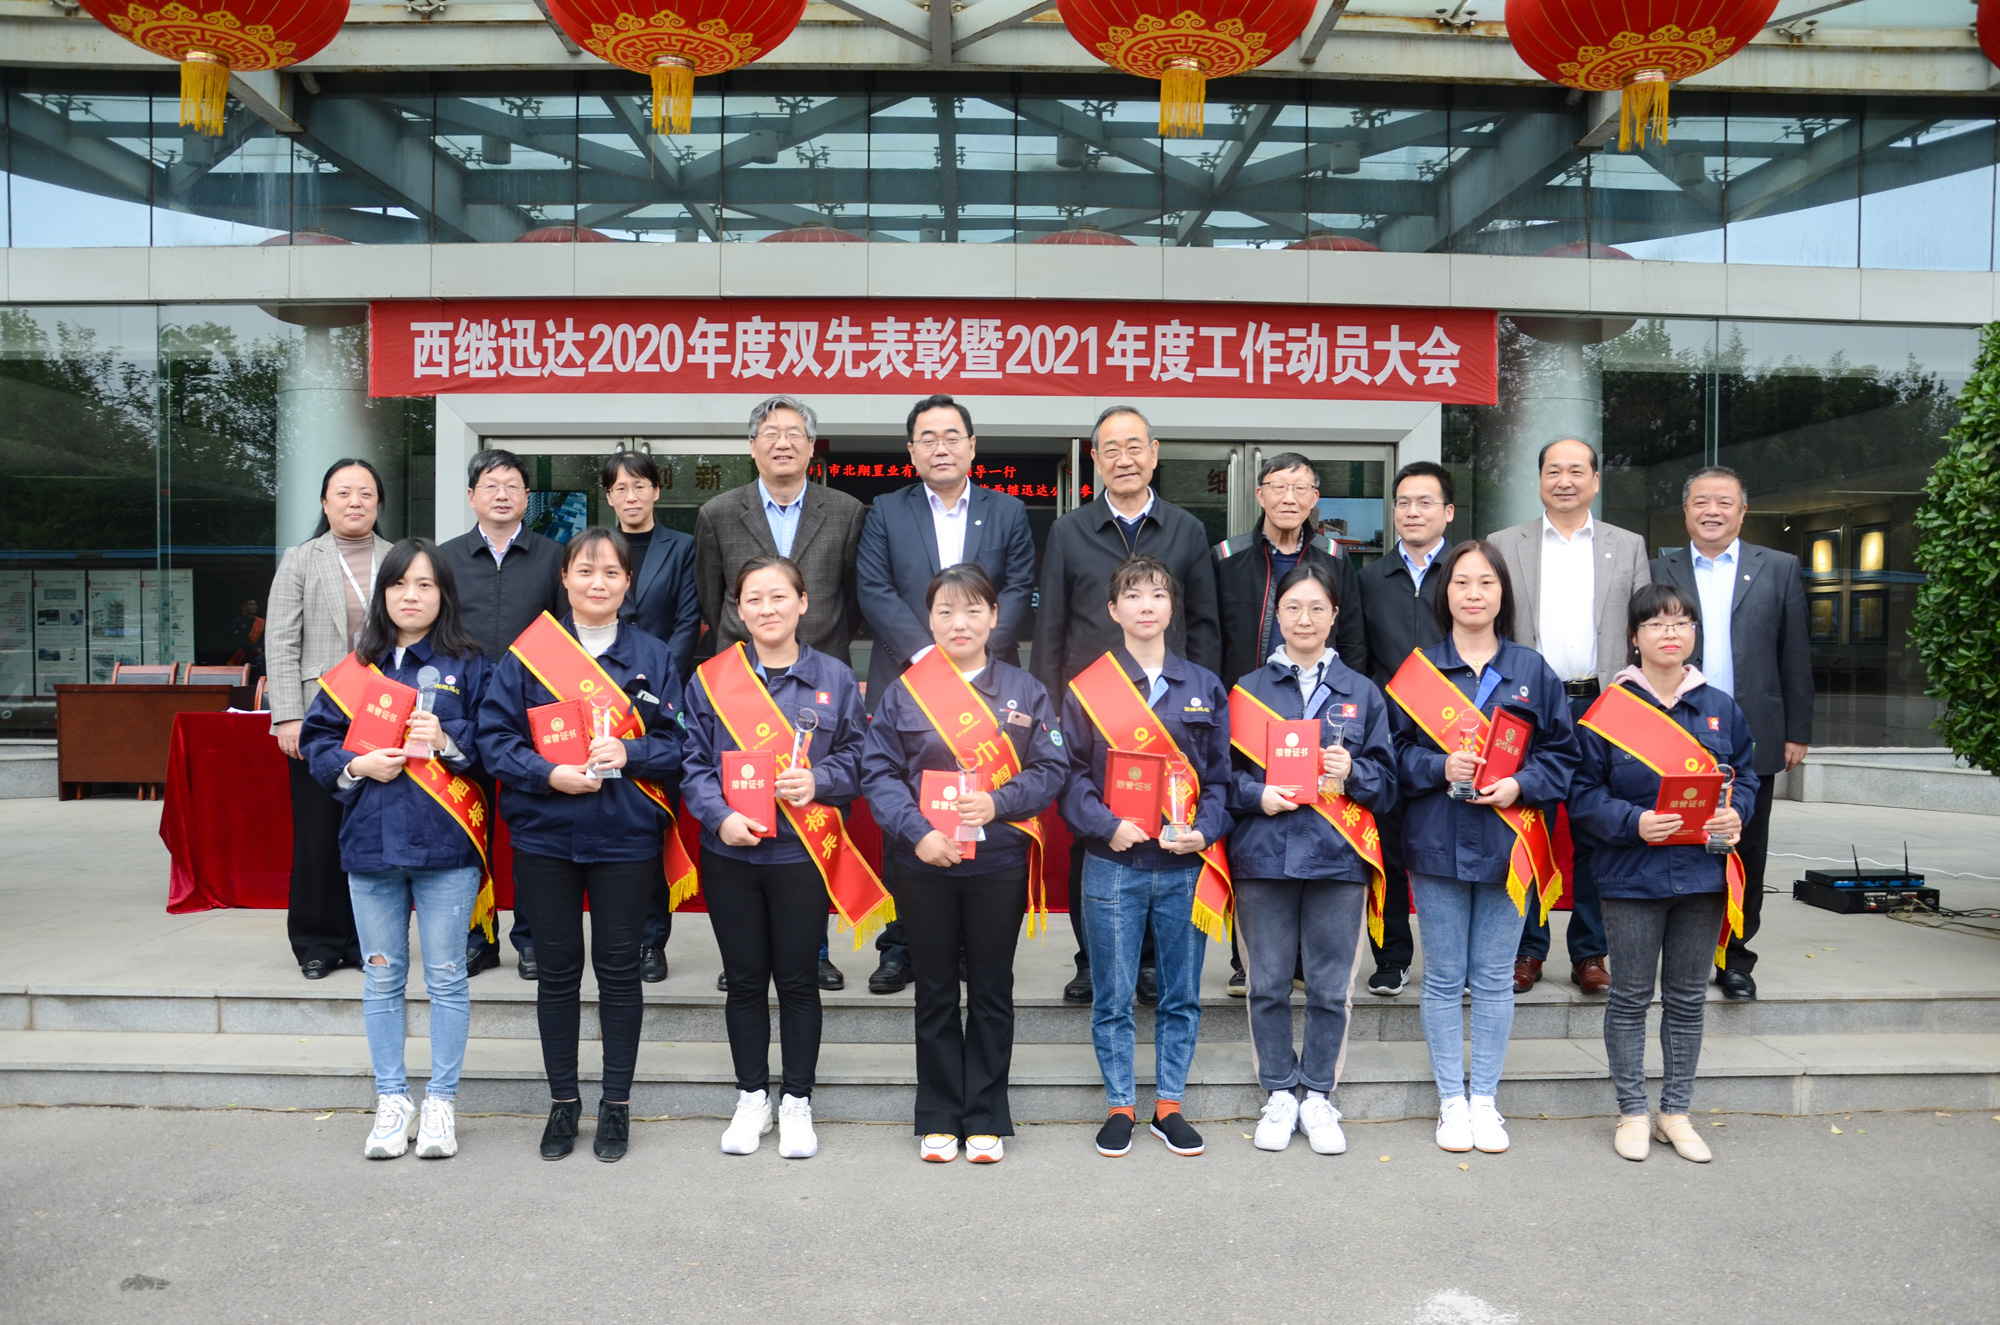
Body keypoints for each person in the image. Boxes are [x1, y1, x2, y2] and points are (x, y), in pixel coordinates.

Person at [477, 527, 686, 1163]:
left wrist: (631, 751)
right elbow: (494, 739)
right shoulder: (530, 653)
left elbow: (680, 743)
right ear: (564, 579)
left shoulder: (653, 655)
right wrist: (548, 774)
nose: (598, 583)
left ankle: (616, 1104)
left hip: (625, 835)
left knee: (620, 972)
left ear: (628, 583)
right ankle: (563, 1102)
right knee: (558, 972)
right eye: (585, 571)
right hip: (546, 835)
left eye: (611, 573)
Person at [859, 564, 1067, 1163]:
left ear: (994, 617)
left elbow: (1051, 768)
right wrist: (918, 832)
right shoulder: (905, 690)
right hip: (924, 863)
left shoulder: (1025, 691)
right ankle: (938, 1115)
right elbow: (878, 772)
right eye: (946, 611)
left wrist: (999, 801)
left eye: (973, 610)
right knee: (934, 991)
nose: (959, 623)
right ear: (930, 620)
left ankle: (985, 1115)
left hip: (997, 862)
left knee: (993, 989)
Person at [682, 556, 880, 1161]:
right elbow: (693, 763)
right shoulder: (711, 678)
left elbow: (859, 756)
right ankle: (751, 1098)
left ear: (803, 602)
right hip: (731, 852)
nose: (767, 609)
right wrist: (720, 816)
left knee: (797, 981)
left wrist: (819, 780)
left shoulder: (834, 676)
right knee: (744, 980)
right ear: (738, 609)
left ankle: (796, 1100)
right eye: (754, 599)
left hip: (801, 853)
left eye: (778, 597)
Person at [299, 538, 490, 1161]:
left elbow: (498, 745)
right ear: (383, 595)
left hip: (445, 847)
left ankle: (441, 1102)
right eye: (400, 584)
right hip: (371, 845)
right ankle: (391, 1100)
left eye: (426, 584)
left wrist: (449, 740)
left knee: (447, 977)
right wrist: (358, 765)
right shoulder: (358, 669)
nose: (412, 596)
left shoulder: (472, 665)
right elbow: (318, 742)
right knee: (381, 979)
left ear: (444, 595)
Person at [1387, 539, 1578, 1156]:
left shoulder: (1532, 671)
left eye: (1486, 583)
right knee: (1444, 978)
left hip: (1508, 842)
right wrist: (1439, 766)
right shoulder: (1419, 671)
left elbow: (1563, 755)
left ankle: (1485, 1100)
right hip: (1437, 841)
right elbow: (1391, 755)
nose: (1473, 594)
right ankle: (1451, 1099)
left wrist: (1522, 784)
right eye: (1462, 582)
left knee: (1494, 978)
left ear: (1503, 594)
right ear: (1445, 594)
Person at [1033, 406, 1223, 1006]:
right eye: (1111, 449)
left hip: (1172, 712)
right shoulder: (1069, 530)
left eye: (1135, 446)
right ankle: (1092, 959)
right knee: (1093, 834)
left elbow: (1204, 624)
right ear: (1094, 459)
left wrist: (1204, 704)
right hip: (1094, 712)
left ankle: (1150, 963)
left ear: (1155, 453)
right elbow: (1051, 627)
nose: (1125, 459)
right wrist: (1049, 712)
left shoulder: (1186, 529)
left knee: (1164, 832)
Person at [855, 394, 1037, 995]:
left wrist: (974, 650)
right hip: (911, 681)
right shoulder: (886, 510)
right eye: (928, 438)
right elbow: (874, 589)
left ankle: (971, 945)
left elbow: (1018, 589)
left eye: (952, 436)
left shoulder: (1007, 511)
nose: (941, 447)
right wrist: (931, 657)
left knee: (982, 803)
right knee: (906, 810)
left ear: (972, 446)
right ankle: (902, 944)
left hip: (990, 685)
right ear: (911, 451)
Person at [1572, 583, 1757, 1163]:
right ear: (1635, 637)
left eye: (1680, 622)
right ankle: (1632, 1111)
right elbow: (1582, 794)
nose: (1669, 633)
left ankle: (1675, 1112)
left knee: (1686, 1000)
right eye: (1655, 624)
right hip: (1632, 875)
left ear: (1695, 633)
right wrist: (1634, 822)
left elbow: (1746, 776)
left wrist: (1737, 810)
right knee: (1629, 997)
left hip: (1702, 876)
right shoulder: (1607, 712)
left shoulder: (1721, 707)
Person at [1058, 554, 1231, 1160]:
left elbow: (1221, 780)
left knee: (1181, 994)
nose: (1146, 605)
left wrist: (1204, 832)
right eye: (1133, 596)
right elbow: (1069, 775)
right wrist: (1106, 825)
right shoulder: (1090, 688)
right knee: (1113, 995)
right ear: (1114, 610)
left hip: (1184, 866)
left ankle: (1170, 1106)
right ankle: (1120, 1106)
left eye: (1157, 594)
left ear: (1171, 607)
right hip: (1114, 864)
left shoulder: (1204, 686)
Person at [694, 395, 869, 991]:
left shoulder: (846, 511)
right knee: (741, 810)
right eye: (769, 433)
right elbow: (712, 597)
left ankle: (811, 949)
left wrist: (821, 658)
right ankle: (743, 954)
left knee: (815, 816)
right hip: (740, 687)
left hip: (819, 687)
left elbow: (853, 598)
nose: (782, 442)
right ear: (752, 447)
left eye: (794, 432)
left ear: (811, 445)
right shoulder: (718, 513)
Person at [1225, 563, 1396, 1155]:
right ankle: (1279, 1090)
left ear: (1334, 616)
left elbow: (1388, 784)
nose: (1305, 619)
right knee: (1268, 983)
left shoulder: (1362, 692)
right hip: (1263, 856)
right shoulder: (1247, 691)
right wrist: (1257, 795)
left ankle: (1318, 1092)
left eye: (1317, 608)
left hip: (1337, 858)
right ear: (1277, 615)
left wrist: (1355, 773)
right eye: (1293, 607)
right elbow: (1220, 779)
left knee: (1329, 987)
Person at [1484, 438, 1652, 996]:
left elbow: (1642, 627)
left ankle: (1590, 952)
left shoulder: (1627, 546)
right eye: (1553, 471)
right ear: (1538, 481)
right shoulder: (1504, 544)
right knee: (1529, 824)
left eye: (1576, 471)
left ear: (1595, 481)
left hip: (1603, 704)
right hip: (1528, 704)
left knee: (1595, 829)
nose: (1564, 480)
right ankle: (1527, 950)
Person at [1650, 465, 1811, 1001]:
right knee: (1676, 840)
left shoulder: (1779, 567)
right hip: (1675, 729)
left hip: (1754, 731)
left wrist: (1797, 730)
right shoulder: (1659, 568)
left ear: (1743, 511)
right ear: (1685, 511)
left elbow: (1795, 653)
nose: (1711, 511)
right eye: (1701, 501)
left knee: (1746, 848)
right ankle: (1678, 954)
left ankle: (1736, 957)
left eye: (1724, 501)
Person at [1214, 449, 1368, 996]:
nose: (1289, 497)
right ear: (1259, 495)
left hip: (1317, 705)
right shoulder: (1227, 556)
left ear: (1315, 498)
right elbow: (1212, 634)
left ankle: (1305, 960)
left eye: (1301, 488)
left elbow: (1353, 639)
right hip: (1251, 708)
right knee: (1252, 826)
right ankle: (1247, 959)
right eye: (1278, 486)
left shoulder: (1336, 557)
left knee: (1313, 822)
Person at [439, 448, 567, 982]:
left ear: (526, 497)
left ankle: (532, 939)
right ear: (472, 496)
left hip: (531, 717)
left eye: (512, 485)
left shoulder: (554, 557)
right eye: (490, 485)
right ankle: (478, 937)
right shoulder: (444, 559)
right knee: (469, 828)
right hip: (461, 718)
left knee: (532, 835)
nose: (502, 494)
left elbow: (566, 638)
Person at [265, 458, 393, 980]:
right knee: (318, 834)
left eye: (365, 492)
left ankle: (366, 940)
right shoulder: (300, 559)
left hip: (383, 716)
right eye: (343, 492)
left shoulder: (398, 558)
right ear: (325, 502)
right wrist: (287, 717)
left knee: (374, 833)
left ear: (379, 502)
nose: (355, 501)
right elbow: (280, 641)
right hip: (318, 718)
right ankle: (317, 941)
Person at [1350, 460, 1453, 999]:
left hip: (1454, 739)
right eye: (1404, 503)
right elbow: (1359, 658)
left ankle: (1451, 959)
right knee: (1386, 851)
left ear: (1448, 512)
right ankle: (1390, 956)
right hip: (1387, 737)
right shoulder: (1369, 578)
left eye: (1425, 502)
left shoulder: (1465, 573)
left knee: (1448, 849)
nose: (1413, 512)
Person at [601, 450, 702, 985]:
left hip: (662, 700)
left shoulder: (682, 546)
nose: (631, 496)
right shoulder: (597, 548)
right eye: (620, 488)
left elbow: (688, 620)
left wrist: (655, 683)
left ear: (657, 491)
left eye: (640, 486)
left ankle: (651, 941)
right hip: (599, 701)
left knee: (655, 818)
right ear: (609, 497)